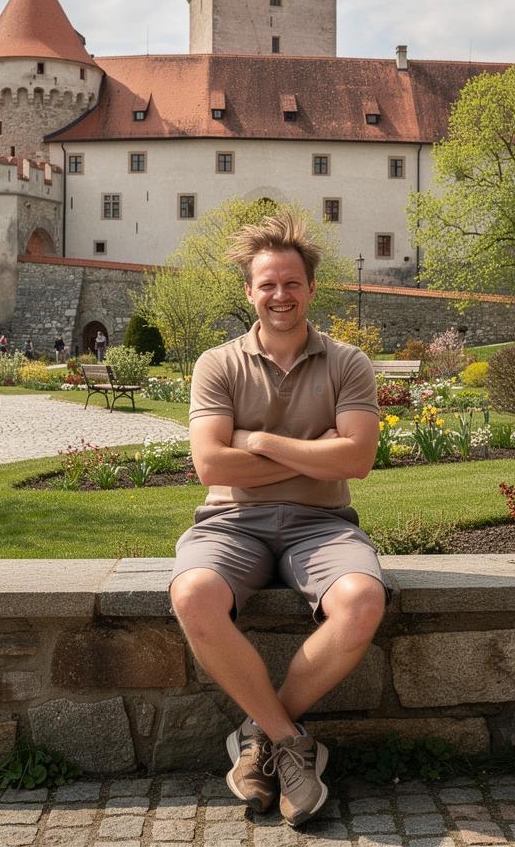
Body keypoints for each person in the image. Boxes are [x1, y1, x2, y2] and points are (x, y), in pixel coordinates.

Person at [168, 211, 385, 828]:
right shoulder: (218, 364)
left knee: (363, 602)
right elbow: (212, 465)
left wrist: (258, 440)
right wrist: (314, 455)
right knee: (193, 596)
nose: (280, 295)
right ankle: (291, 744)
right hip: (231, 524)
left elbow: (359, 459)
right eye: (267, 284)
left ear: (311, 288)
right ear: (249, 291)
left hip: (322, 525)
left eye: (291, 283)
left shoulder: (347, 363)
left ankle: (261, 738)